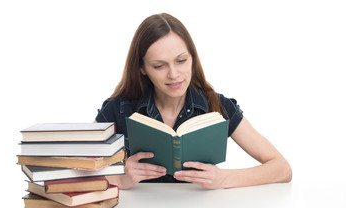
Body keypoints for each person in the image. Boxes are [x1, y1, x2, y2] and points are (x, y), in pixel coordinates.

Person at [95, 13, 292, 190]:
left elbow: (282, 168)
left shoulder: (217, 105)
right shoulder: (118, 109)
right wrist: (119, 179)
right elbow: (70, 173)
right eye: (159, 65)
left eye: (181, 61)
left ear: (193, 59)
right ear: (142, 68)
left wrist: (223, 178)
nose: (174, 74)